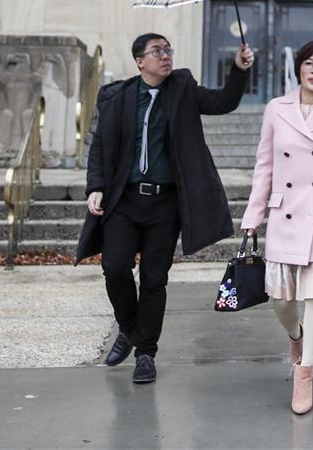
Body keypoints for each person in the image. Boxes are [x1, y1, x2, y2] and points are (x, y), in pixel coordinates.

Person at [75, 32, 254, 384]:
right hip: (124, 200)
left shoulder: (183, 88)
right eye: (157, 51)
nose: (166, 55)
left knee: (155, 279)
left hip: (164, 203)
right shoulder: (117, 97)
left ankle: (145, 354)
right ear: (139, 61)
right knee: (114, 268)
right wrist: (95, 187)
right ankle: (129, 329)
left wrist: (238, 70)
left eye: (169, 49)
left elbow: (223, 102)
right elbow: (98, 147)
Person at [241, 40, 313, 415]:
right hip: (285, 213)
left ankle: (305, 374)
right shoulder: (276, 108)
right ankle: (296, 336)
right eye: (309, 63)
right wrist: (253, 217)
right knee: (283, 301)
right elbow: (265, 166)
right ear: (299, 68)